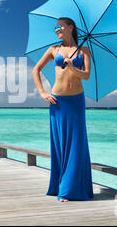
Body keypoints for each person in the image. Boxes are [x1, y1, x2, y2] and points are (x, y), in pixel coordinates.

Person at [31, 17, 94, 202]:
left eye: (60, 26)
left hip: (76, 101)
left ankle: (68, 190)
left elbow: (87, 75)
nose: (57, 29)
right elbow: (36, 70)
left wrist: (73, 67)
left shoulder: (84, 50)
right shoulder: (53, 50)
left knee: (76, 144)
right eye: (55, 27)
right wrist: (42, 92)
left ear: (70, 27)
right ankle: (60, 185)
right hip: (57, 101)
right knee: (60, 144)